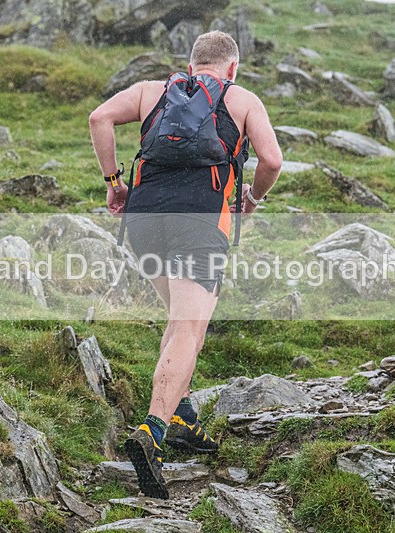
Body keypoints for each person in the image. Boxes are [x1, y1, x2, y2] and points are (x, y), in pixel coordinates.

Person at [89, 30, 282, 499]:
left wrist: (114, 182)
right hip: (199, 225)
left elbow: (99, 118)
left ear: (191, 64)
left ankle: (182, 415)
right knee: (189, 329)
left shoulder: (151, 92)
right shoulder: (241, 99)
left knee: (179, 321)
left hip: (144, 220)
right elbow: (273, 160)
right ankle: (152, 431)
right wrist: (251, 200)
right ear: (231, 68)